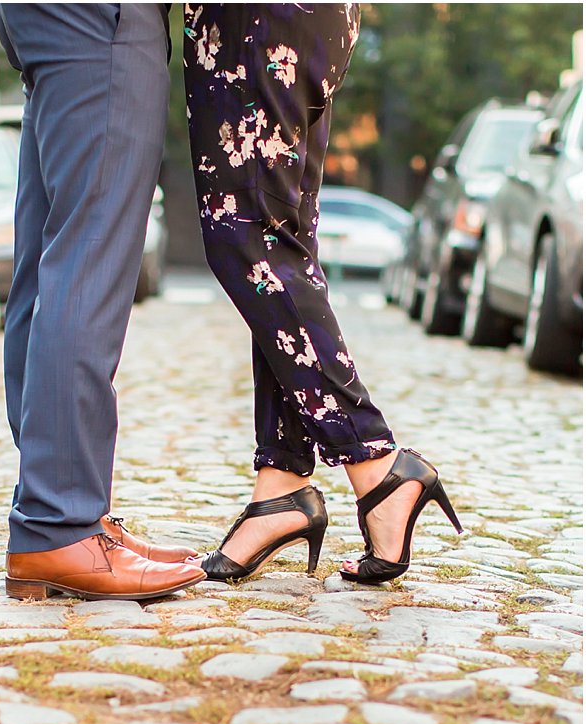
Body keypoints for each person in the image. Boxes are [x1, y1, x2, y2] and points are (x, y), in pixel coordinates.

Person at [184, 3, 461, 583]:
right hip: (298, 18)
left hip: (256, 20)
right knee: (280, 246)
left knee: (247, 237)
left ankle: (378, 464)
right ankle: (281, 487)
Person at [0, 3, 208, 601]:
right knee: (87, 261)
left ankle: (64, 514)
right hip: (100, 17)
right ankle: (56, 523)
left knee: (51, 264)